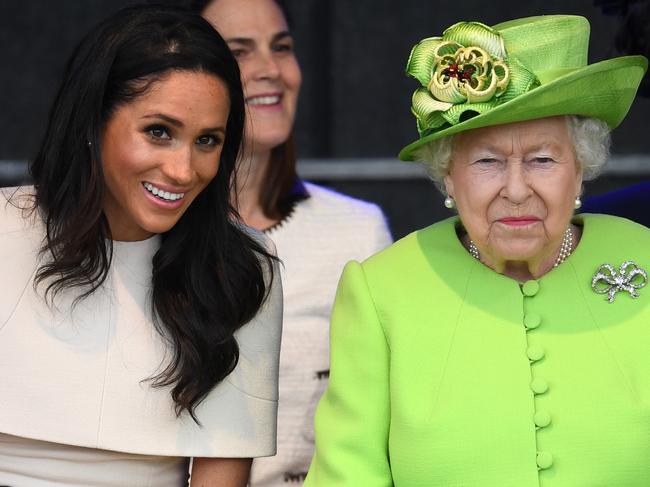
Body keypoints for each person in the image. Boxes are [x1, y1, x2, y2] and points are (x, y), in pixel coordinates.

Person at [305, 15, 649, 486]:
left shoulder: (643, 257)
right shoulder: (381, 290)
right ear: (449, 175)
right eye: (487, 161)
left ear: (581, 167)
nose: (515, 189)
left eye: (542, 160)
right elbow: (349, 474)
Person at [0, 5, 282, 486]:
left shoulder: (239, 272)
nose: (182, 169)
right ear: (94, 121)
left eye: (207, 140)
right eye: (159, 132)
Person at [188, 0, 393, 485]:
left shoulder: (358, 230)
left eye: (282, 48)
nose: (270, 70)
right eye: (239, 52)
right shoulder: (154, 231)